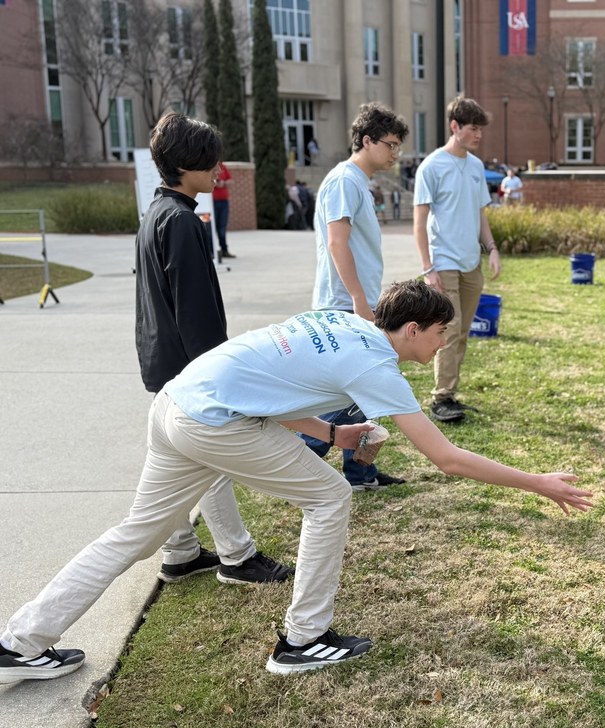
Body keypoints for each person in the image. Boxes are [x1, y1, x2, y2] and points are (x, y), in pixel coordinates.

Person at [0, 281, 593, 682]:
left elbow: (271, 384)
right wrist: (538, 482)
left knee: (135, 534)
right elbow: (448, 459)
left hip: (178, 401)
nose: (444, 344)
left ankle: (20, 642)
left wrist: (335, 436)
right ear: (414, 329)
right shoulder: (376, 365)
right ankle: (303, 641)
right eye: (442, 334)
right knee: (331, 497)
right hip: (212, 421)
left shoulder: (341, 323)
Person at [133, 113, 293, 587]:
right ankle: (238, 557)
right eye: (211, 159)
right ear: (189, 164)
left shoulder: (156, 214)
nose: (219, 167)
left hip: (161, 357)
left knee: (172, 460)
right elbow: (194, 307)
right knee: (212, 459)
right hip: (190, 365)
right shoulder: (182, 222)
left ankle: (180, 551)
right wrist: (220, 371)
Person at [301, 102, 410, 492]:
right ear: (366, 140)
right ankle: (297, 460)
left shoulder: (357, 182)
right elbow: (337, 242)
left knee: (361, 393)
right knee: (348, 392)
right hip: (344, 304)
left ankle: (361, 474)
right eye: (390, 145)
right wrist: (359, 300)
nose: (395, 154)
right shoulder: (345, 180)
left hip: (356, 300)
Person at [414, 95, 501, 423]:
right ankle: (441, 399)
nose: (479, 135)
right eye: (473, 128)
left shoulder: (476, 166)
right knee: (449, 330)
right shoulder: (432, 167)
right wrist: (428, 268)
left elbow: (480, 214)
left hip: (470, 263)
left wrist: (491, 248)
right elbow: (419, 222)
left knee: (463, 331)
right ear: (455, 127)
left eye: (481, 129)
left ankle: (450, 392)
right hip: (444, 263)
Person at [212, 160, 234, 259]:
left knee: (222, 227)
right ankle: (212, 252)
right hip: (213, 203)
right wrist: (215, 183)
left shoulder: (223, 167)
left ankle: (224, 250)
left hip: (224, 202)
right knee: (212, 228)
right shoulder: (209, 166)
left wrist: (223, 183)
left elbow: (231, 181)